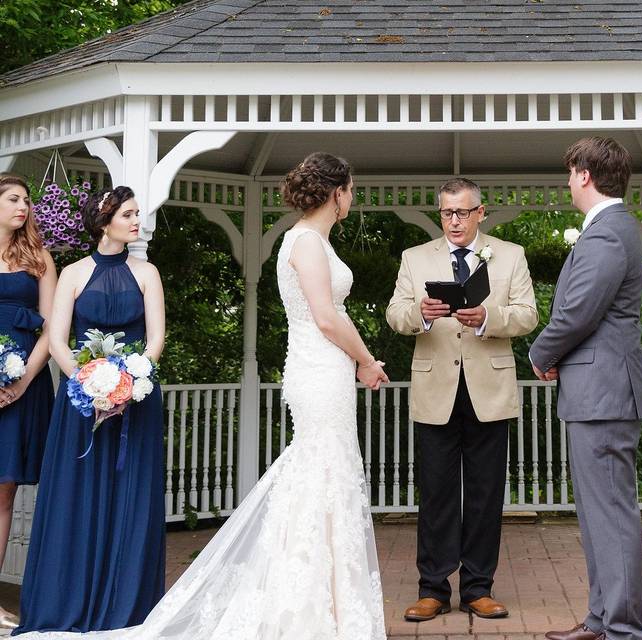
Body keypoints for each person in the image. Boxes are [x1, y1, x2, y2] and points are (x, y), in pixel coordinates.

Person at [12, 153, 390, 640]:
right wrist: (366, 359)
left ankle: (323, 597)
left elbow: (156, 339)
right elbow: (326, 317)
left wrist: (132, 377)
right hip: (320, 368)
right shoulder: (308, 243)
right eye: (351, 189)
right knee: (320, 470)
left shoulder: (301, 241)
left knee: (324, 473)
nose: (352, 199)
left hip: (319, 369)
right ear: (337, 192)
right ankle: (310, 602)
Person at [14, 186, 166, 635]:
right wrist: (89, 383)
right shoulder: (75, 274)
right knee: (77, 497)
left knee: (131, 497)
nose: (137, 221)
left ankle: (128, 604)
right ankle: (69, 601)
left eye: (137, 213)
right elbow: (58, 339)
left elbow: (155, 338)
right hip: (81, 403)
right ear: (105, 222)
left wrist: (130, 382)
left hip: (136, 402)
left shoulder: (148, 273)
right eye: (129, 214)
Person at [386, 177, 537, 622]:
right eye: (447, 213)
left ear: (480, 212)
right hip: (435, 391)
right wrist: (422, 315)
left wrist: (489, 316)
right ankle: (432, 589)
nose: (454, 221)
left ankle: (477, 588)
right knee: (435, 494)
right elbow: (395, 313)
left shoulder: (510, 255)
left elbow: (528, 314)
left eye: (462, 212)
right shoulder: (415, 258)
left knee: (486, 495)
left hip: (489, 390)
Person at [529, 137, 642, 640]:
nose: (568, 183)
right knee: (598, 514)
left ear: (583, 174)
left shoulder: (605, 235)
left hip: (603, 393)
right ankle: (603, 619)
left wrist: (541, 353)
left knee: (611, 514)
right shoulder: (613, 229)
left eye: (570, 174)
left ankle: (623, 628)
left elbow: (578, 311)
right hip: (598, 389)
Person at [0, 175, 56, 631]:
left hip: (23, 385)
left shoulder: (39, 259)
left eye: (26, 200)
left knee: (3, 491)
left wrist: (20, 384)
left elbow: (52, 331)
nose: (24, 206)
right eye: (14, 199)